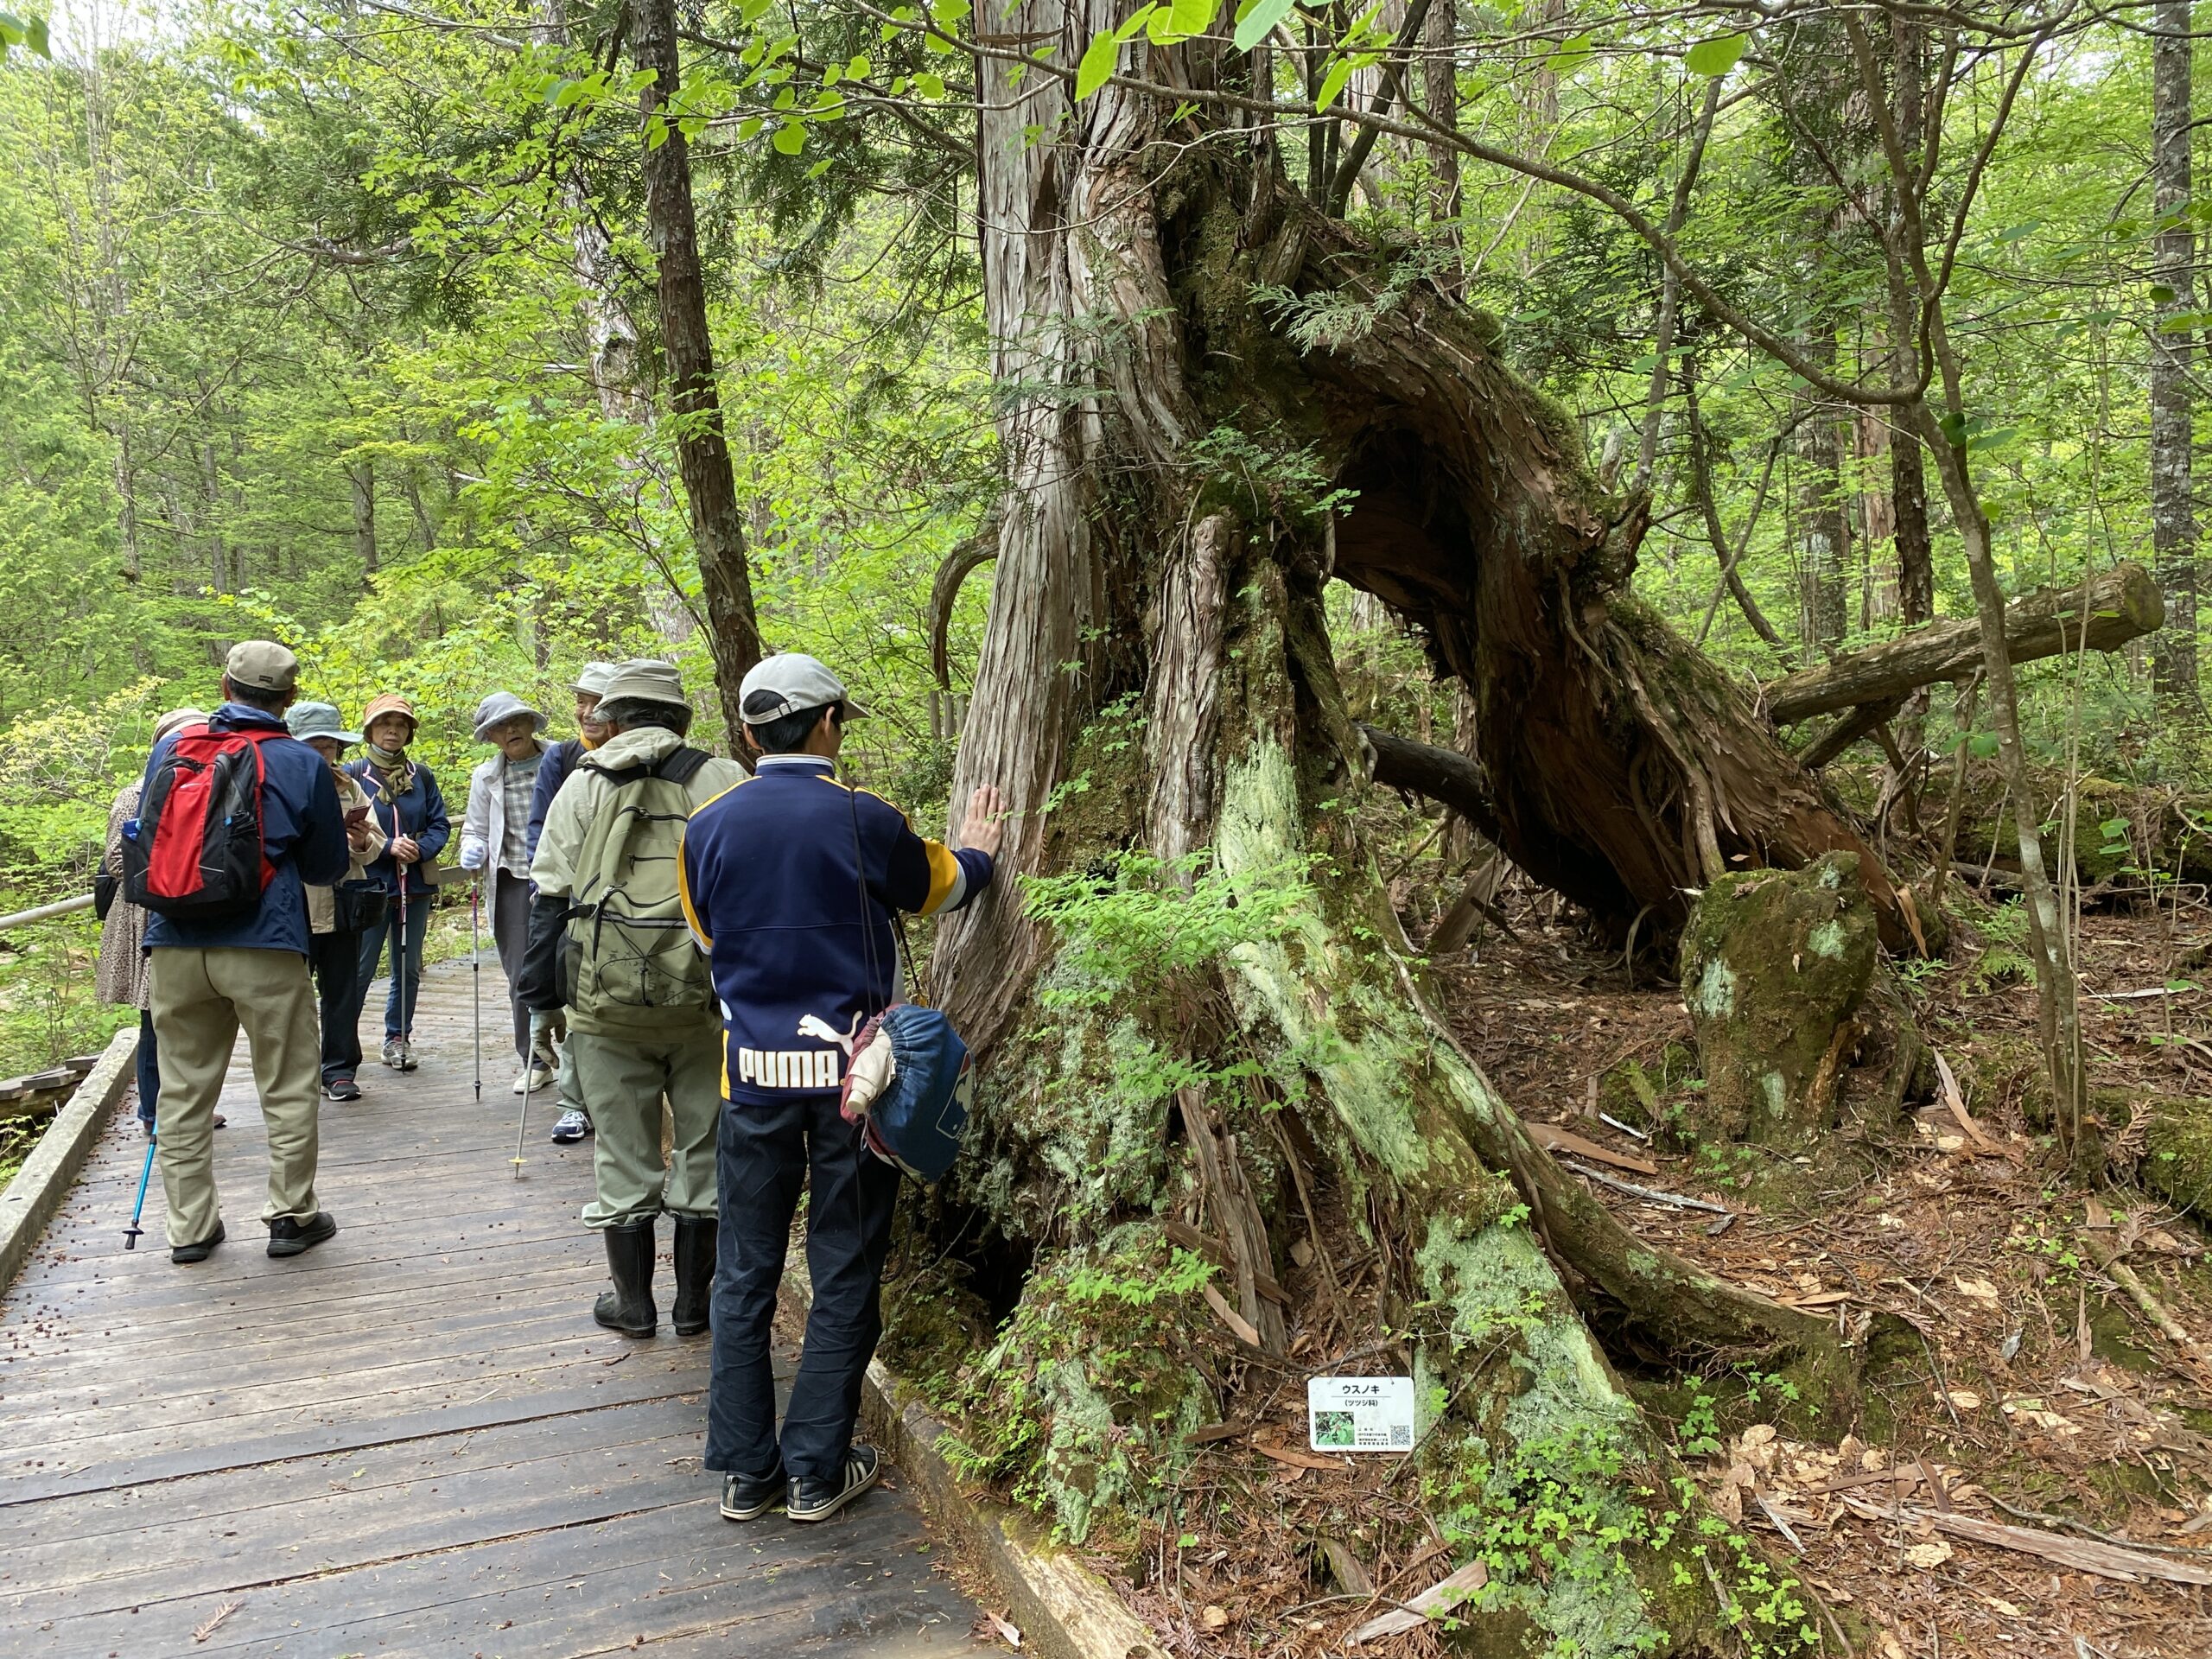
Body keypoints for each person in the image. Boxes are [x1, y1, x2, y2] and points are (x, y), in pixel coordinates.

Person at [679, 652, 1005, 1525]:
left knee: (743, 1271)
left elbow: (707, 938)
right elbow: (940, 886)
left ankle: (748, 1475)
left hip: (749, 1080)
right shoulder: (865, 818)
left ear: (747, 735)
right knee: (845, 1264)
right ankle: (817, 1470)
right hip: (858, 1086)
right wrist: (982, 851)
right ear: (830, 724)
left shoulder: (704, 828)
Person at [519, 659, 746, 1342]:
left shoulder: (583, 784)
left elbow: (550, 895)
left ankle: (635, 1306)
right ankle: (694, 1306)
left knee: (622, 1152)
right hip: (705, 998)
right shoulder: (723, 779)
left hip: (603, 1003)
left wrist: (542, 1000)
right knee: (704, 1147)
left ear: (610, 721)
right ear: (681, 718)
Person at [136, 642, 350, 1265]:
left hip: (174, 940)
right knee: (286, 1083)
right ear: (288, 698)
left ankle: (191, 1228)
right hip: (266, 940)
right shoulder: (297, 760)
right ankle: (291, 1215)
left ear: (224, 687)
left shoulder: (171, 750)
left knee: (182, 1091)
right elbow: (325, 865)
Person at [95, 706, 207, 1137]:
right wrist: (171, 881)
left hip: (190, 912)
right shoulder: (134, 793)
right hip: (147, 914)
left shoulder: (206, 789)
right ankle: (153, 1112)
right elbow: (119, 859)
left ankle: (188, 1109)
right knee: (154, 1017)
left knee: (192, 1019)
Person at [527, 663, 617, 1146]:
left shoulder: (652, 764)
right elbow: (539, 830)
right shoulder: (561, 758)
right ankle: (573, 1103)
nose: (584, 711)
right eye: (581, 700)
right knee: (578, 1003)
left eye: (594, 701)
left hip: (629, 904)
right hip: (571, 901)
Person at [286, 702, 388, 1103]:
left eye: (330, 745)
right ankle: (297, 1071)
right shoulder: (279, 785)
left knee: (343, 990)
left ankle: (340, 1069)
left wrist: (361, 839)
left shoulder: (350, 786)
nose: (324, 753)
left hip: (345, 902)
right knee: (291, 995)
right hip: (297, 907)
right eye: (315, 745)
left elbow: (375, 844)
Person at [346, 693, 449, 1071]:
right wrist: (387, 846)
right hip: (369, 887)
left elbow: (439, 824)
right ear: (370, 729)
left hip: (414, 886)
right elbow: (343, 826)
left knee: (407, 966)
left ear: (409, 732)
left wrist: (418, 850)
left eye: (401, 724)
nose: (393, 730)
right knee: (361, 966)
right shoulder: (353, 773)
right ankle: (342, 1044)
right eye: (385, 723)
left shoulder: (420, 776)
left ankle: (398, 1037)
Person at [458, 691, 552, 1096]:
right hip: (512, 880)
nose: (510, 730)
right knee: (521, 973)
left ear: (531, 723)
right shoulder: (486, 776)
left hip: (563, 879)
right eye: (500, 726)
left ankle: (581, 1061)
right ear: (491, 737)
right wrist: (471, 848)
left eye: (517, 721)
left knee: (573, 965)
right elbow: (475, 828)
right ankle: (534, 1059)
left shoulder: (563, 762)